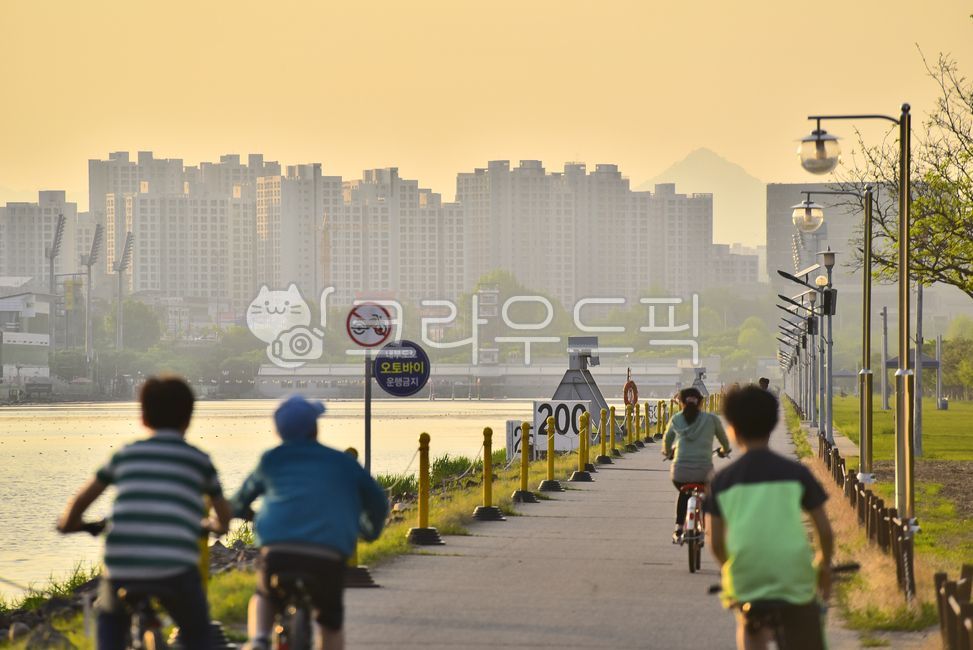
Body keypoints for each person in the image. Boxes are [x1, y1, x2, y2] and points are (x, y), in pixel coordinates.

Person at [58, 376, 231, 650]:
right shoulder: (199, 460)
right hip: (176, 565)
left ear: (143, 417)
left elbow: (82, 498)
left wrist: (69, 523)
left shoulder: (126, 455)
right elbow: (222, 512)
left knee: (110, 620)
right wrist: (218, 526)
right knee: (198, 633)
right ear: (188, 419)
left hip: (124, 564)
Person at [232, 395, 389, 650]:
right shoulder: (343, 462)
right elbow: (377, 502)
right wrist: (370, 531)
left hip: (278, 550)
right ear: (315, 428)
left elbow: (239, 501)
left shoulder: (272, 459)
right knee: (330, 625)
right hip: (326, 554)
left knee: (264, 594)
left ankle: (259, 639)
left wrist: (249, 515)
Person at [707, 385, 834, 650]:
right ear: (774, 423)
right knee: (806, 627)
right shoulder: (796, 473)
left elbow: (716, 542)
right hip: (794, 574)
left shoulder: (722, 480)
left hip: (746, 576)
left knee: (748, 623)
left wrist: (732, 568)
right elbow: (823, 530)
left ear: (731, 428)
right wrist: (823, 566)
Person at [662, 387, 730, 543]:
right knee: (708, 494)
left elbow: (666, 441)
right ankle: (708, 524)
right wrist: (724, 450)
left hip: (680, 473)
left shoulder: (676, 419)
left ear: (680, 403)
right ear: (700, 402)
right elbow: (724, 441)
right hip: (703, 471)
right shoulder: (711, 419)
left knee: (683, 494)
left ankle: (679, 527)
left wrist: (667, 452)